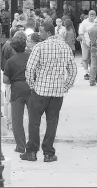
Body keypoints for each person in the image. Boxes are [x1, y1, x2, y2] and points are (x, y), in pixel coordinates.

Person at [21, 23, 77, 162]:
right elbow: (73, 70)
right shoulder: (65, 47)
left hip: (40, 90)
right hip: (57, 92)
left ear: (48, 32)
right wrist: (66, 86)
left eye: (41, 31)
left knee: (34, 121)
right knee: (52, 122)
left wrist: (32, 85)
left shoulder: (39, 47)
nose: (40, 34)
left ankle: (32, 151)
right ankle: (48, 153)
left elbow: (30, 69)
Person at [3, 36, 31, 153]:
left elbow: (5, 79)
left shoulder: (11, 61)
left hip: (17, 89)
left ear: (13, 49)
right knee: (33, 118)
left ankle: (20, 146)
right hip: (31, 87)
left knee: (17, 119)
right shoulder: (31, 57)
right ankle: (32, 144)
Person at [78, 10, 96, 80]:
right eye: (91, 15)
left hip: (94, 44)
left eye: (93, 15)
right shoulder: (84, 23)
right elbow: (81, 33)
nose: (92, 17)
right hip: (86, 43)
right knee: (85, 58)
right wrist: (84, 41)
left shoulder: (96, 22)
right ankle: (86, 73)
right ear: (88, 15)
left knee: (92, 59)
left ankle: (92, 73)